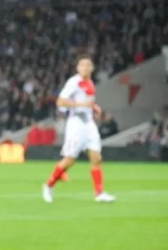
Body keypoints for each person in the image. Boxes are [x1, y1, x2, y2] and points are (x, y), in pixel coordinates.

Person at [43, 55, 116, 203]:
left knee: (96, 158)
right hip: (76, 124)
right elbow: (60, 101)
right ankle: (48, 185)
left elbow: (87, 102)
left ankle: (99, 193)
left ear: (92, 68)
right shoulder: (73, 82)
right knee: (70, 160)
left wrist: (94, 107)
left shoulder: (90, 83)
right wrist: (81, 106)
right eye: (83, 65)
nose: (86, 67)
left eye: (88, 65)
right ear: (78, 68)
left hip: (89, 124)